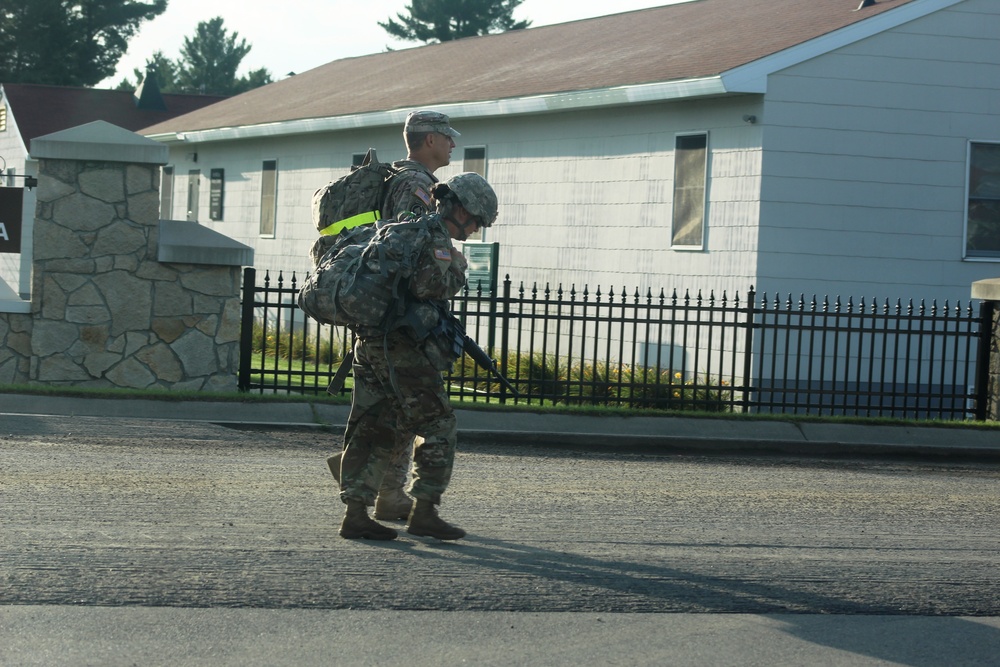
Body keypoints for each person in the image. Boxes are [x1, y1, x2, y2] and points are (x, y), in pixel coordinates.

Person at [338, 172, 499, 541]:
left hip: (371, 340)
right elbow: (429, 285)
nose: (476, 229)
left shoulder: (407, 225)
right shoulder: (436, 239)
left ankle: (356, 514)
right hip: (402, 348)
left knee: (371, 424)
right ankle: (425, 509)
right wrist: (458, 267)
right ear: (460, 209)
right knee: (439, 424)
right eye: (476, 220)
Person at [326, 110, 460, 522]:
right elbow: (411, 247)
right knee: (402, 409)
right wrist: (450, 261)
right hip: (398, 316)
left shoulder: (393, 178)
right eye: (448, 137)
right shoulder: (417, 184)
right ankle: (382, 485)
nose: (453, 144)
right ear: (431, 140)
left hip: (379, 309)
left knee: (390, 409)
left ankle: (383, 490)